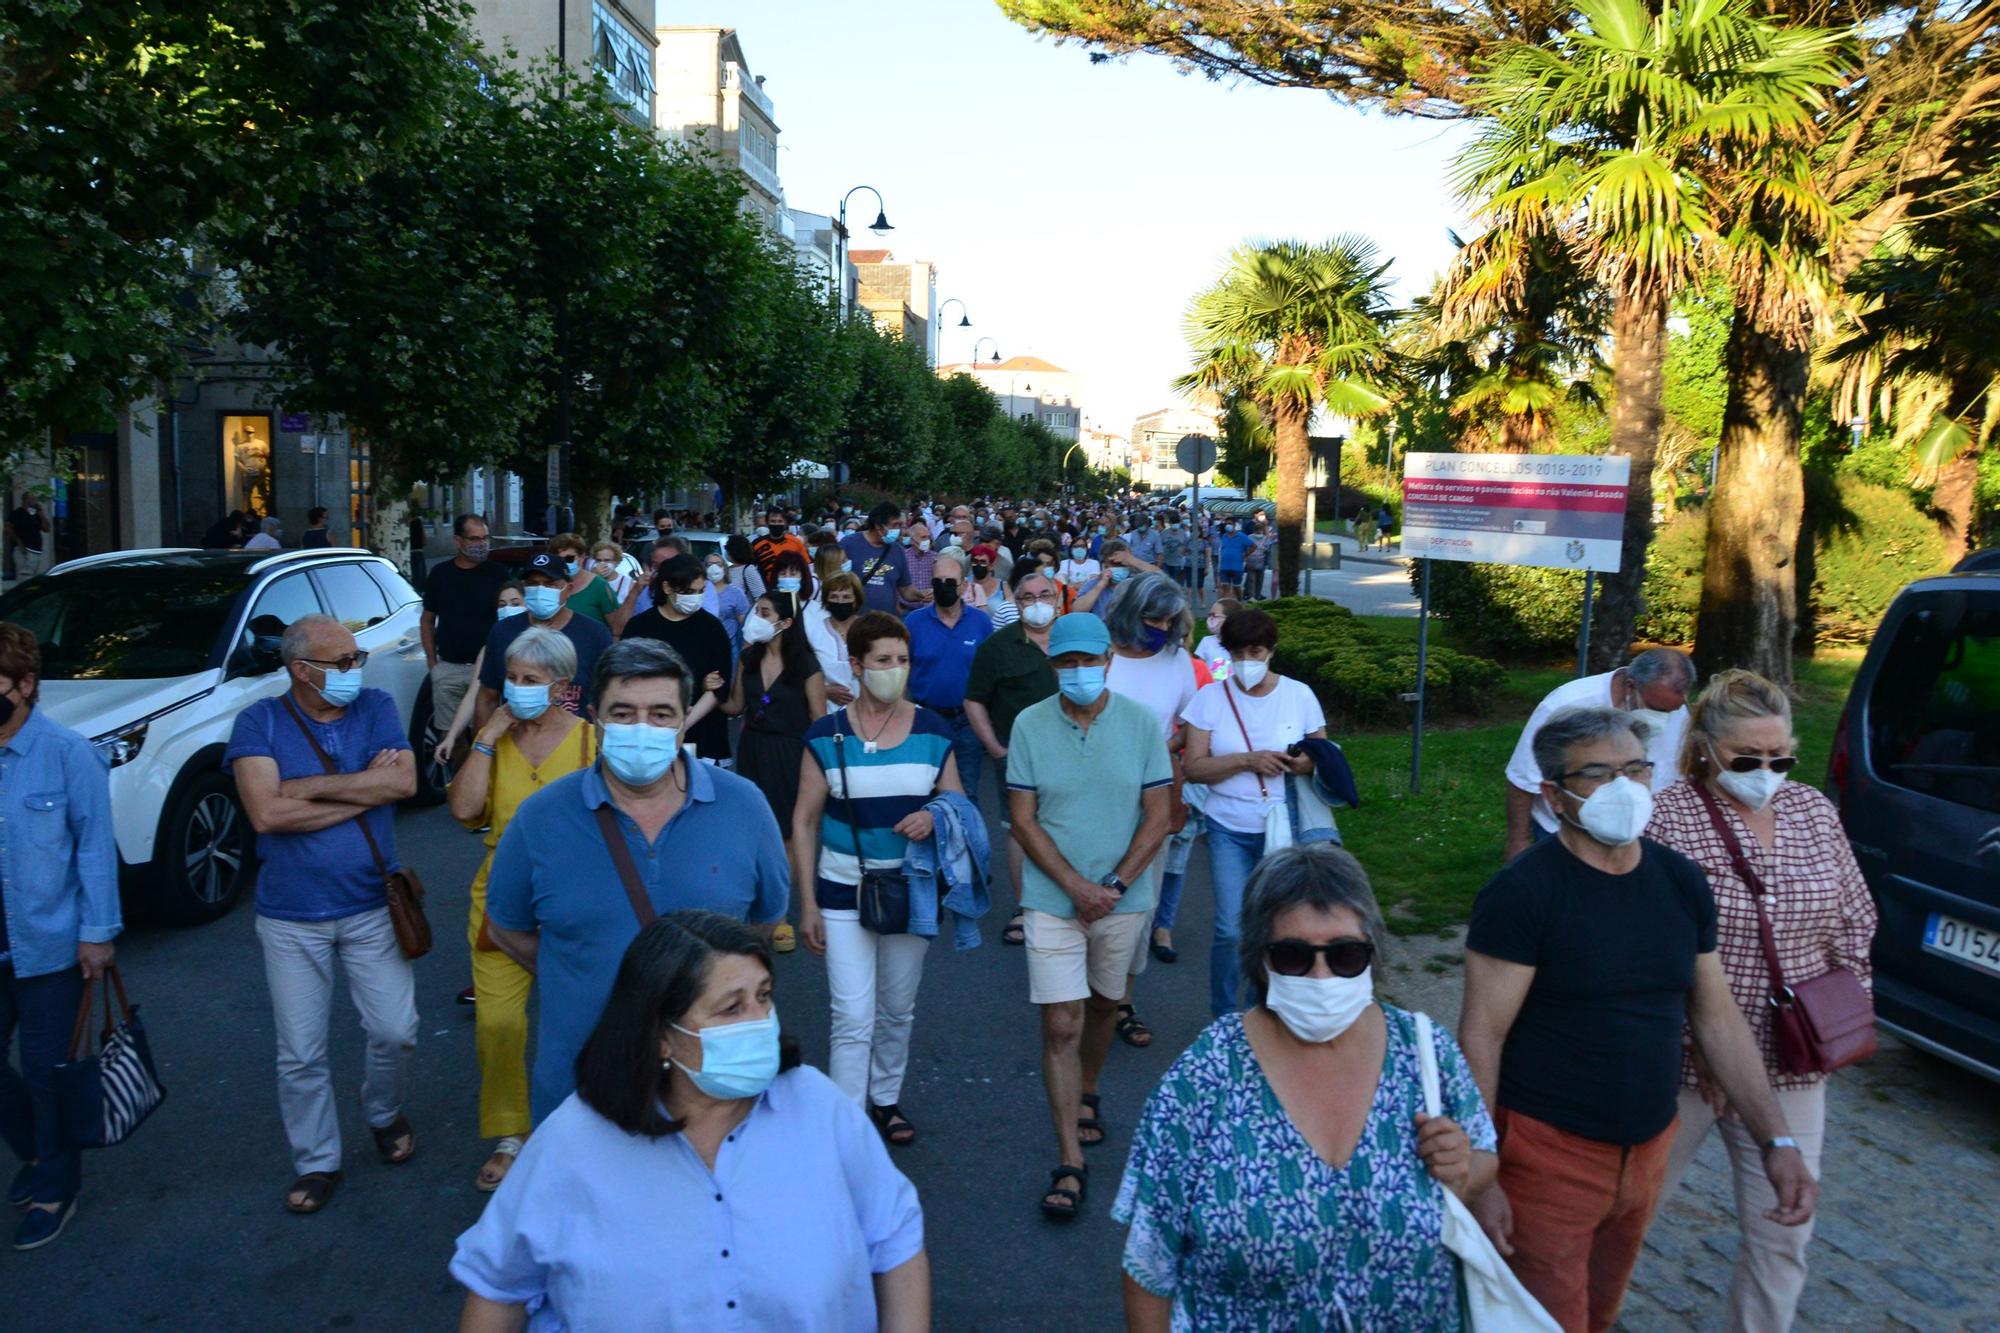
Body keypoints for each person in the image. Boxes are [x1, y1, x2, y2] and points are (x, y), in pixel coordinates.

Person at [1459, 706, 1818, 1333]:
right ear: (1555, 795)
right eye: (1598, 774)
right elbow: (1481, 1034)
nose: (1624, 788)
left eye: (1635, 769)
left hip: (1648, 1148)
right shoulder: (1522, 893)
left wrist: (1777, 1139)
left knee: (1601, 1313)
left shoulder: (1680, 882)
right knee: (1546, 1319)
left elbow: (1717, 1018)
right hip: (1547, 1154)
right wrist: (1480, 1171)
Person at [452, 913, 930, 1332]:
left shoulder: (820, 1108)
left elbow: (895, 1239)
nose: (760, 1021)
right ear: (661, 1036)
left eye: (764, 997)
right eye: (731, 1007)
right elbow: (499, 1287)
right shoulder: (572, 1143)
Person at [1115, 844, 1498, 1329]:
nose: (1321, 976)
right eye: (1293, 956)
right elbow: (1149, 1263)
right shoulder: (1204, 1077)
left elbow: (1484, 1157)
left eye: (1345, 954)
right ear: (1259, 960)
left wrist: (1463, 1165)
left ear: (1372, 953)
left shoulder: (1424, 1051)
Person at [1646, 671, 1876, 1331]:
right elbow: (1650, 948)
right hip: (1685, 1064)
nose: (1766, 771)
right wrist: (1704, 1049)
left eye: (1781, 757)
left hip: (1790, 1060)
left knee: (1785, 1234)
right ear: (1708, 750)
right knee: (1630, 1213)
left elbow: (1855, 922)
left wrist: (1844, 1002)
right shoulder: (1668, 816)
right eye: (1748, 759)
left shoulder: (1812, 811)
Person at [483, 639, 790, 1124]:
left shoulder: (744, 806)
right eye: (623, 713)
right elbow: (506, 927)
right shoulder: (539, 818)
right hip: (578, 1090)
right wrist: (584, 976)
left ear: (686, 716)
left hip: (712, 1093)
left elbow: (763, 925)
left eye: (662, 713)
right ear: (595, 718)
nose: (642, 728)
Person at [226, 614, 421, 1216]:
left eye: (356, 658)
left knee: (397, 1029)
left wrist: (302, 788)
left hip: (372, 906)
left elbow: (406, 784)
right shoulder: (258, 721)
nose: (353, 670)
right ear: (299, 670)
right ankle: (317, 1160)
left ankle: (382, 1110)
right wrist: (364, 791)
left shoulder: (377, 707)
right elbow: (265, 816)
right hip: (290, 918)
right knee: (301, 1053)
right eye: (341, 662)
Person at [1006, 614, 1172, 1219]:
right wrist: (1075, 886)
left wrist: (1114, 884)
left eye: (1087, 660)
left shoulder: (1140, 724)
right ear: (1055, 666)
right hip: (1052, 900)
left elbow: (1159, 815)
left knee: (1105, 1006)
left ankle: (1091, 1089)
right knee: (1062, 1026)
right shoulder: (1028, 725)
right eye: (1065, 662)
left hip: (1123, 899)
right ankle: (1069, 1159)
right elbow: (1023, 820)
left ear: (1108, 660)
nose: (1076, 672)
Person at [793, 613, 961, 1145]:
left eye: (903, 661)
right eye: (883, 661)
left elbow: (957, 801)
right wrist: (807, 906)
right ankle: (848, 1124)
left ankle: (885, 1098)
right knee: (851, 1013)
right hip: (841, 889)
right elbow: (803, 820)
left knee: (896, 1007)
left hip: (911, 891)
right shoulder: (826, 734)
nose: (894, 671)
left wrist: (936, 815)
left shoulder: (935, 731)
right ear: (858, 664)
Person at [447, 628, 592, 1192]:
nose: (516, 689)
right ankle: (513, 1134)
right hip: (501, 904)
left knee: (578, 1024)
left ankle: (580, 1128)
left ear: (560, 686)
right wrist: (485, 738)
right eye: (512, 677)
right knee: (500, 1023)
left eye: (530, 680)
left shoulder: (591, 743)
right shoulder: (497, 739)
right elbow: (463, 811)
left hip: (575, 906)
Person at [0, 623, 118, 1250]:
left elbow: (96, 851)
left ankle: (56, 1184)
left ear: (25, 686)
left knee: (47, 1073)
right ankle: (36, 1152)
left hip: (49, 945)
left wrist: (97, 935)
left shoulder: (69, 755)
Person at [1181, 607, 1328, 1016]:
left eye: (1256, 651)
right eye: (1238, 653)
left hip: (1285, 829)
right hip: (1228, 826)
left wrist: (1303, 763)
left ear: (1272, 651)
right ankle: (1226, 1018)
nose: (1247, 661)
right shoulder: (1210, 698)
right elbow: (1193, 767)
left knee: (1283, 929)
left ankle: (1274, 1011)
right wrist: (1247, 760)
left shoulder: (1299, 695)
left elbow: (1324, 755)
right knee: (1231, 929)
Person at [1103, 573, 1209, 981]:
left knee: (1141, 895)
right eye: (1154, 620)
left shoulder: (1176, 659)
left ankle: (1123, 997)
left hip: (1156, 792)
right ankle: (1089, 993)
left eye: (1169, 621)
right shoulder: (1100, 656)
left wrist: (1161, 748)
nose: (1163, 630)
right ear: (1131, 614)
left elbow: (1191, 722)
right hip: (1099, 791)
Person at [1503, 647, 1696, 862]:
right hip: (1566, 832)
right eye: (1655, 708)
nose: (1665, 718)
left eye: (1671, 711)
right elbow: (1523, 779)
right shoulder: (1567, 703)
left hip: (1638, 833)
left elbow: (1676, 774)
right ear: (1630, 686)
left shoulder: (1677, 712)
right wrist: (1518, 841)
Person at [723, 589, 827, 954]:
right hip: (752, 750)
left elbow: (819, 720)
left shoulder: (806, 666)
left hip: (792, 752)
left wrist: (819, 769)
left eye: (764, 611)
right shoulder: (747, 657)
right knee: (751, 830)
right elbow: (736, 705)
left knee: (786, 833)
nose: (755, 616)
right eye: (756, 609)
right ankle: (753, 905)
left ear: (785, 622)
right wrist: (711, 692)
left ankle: (780, 915)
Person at [964, 566, 1061, 948]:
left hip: (1073, 754)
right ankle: (1026, 908)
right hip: (1018, 757)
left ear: (1057, 599)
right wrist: (994, 747)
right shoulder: (998, 646)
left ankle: (1064, 897)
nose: (1038, 605)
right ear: (1016, 603)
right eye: (1027, 598)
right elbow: (974, 701)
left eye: (1045, 596)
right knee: (1020, 829)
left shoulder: (1073, 639)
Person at [473, 553, 612, 729]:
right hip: (513, 738)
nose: (540, 590)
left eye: (550, 584)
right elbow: (487, 696)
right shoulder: (503, 631)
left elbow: (608, 697)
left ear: (568, 589)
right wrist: (482, 745)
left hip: (574, 743)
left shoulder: (595, 634)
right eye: (532, 584)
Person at [620, 554, 733, 765]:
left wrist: (681, 725)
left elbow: (719, 687)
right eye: (689, 592)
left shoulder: (712, 629)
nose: (696, 598)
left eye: (701, 592)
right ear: (667, 588)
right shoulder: (640, 627)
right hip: (649, 733)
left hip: (703, 736)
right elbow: (625, 679)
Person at [905, 549, 995, 803]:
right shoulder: (914, 622)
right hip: (926, 718)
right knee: (925, 790)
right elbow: (903, 669)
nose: (943, 587)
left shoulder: (980, 622)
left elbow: (990, 671)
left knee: (966, 791)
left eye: (949, 582)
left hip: (968, 720)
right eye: (937, 582)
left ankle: (967, 840)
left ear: (963, 586)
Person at [423, 515, 510, 759]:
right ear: (458, 541)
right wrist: (433, 665)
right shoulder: (440, 575)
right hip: (449, 669)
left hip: (489, 673)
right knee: (452, 741)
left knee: (487, 738)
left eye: (485, 538)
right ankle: (458, 788)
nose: (481, 544)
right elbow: (427, 620)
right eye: (474, 539)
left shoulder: (498, 575)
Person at [435, 581, 525, 766]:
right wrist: (451, 736)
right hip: (509, 732)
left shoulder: (543, 644)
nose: (508, 609)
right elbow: (473, 695)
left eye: (515, 604)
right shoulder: (490, 648)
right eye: (502, 605)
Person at [841, 502, 915, 616]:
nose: (898, 530)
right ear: (878, 526)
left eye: (900, 525)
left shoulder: (898, 550)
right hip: (854, 620)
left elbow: (905, 590)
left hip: (886, 621)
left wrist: (923, 595)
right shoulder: (849, 544)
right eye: (894, 525)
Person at [546, 532, 624, 630]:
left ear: (582, 557)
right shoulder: (545, 585)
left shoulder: (599, 586)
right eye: (558, 559)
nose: (563, 563)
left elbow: (617, 629)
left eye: (569, 558)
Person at [700, 548, 752, 657]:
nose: (714, 568)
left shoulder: (735, 593)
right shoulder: (697, 591)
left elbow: (743, 623)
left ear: (724, 568)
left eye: (718, 564)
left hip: (729, 646)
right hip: (703, 645)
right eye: (709, 565)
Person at [751, 505, 809, 585]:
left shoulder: (796, 542)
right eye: (773, 521)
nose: (776, 524)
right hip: (767, 589)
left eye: (779, 521)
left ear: (785, 523)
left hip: (792, 587)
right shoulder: (757, 543)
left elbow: (806, 566)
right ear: (767, 523)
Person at [965, 544, 1016, 625]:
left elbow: (1012, 613)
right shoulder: (964, 584)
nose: (978, 565)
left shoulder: (1003, 587)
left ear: (991, 566)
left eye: (983, 562)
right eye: (975, 561)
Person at [4, 494, 51, 581]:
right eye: (32, 499)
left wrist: (41, 515)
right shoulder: (17, 513)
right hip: (24, 551)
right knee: (24, 577)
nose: (35, 501)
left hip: (36, 551)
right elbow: (7, 528)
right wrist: (19, 542)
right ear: (26, 500)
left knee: (32, 577)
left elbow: (46, 529)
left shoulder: (35, 513)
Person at [1193, 597, 1242, 677]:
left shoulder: (1243, 644)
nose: (1210, 619)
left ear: (1231, 619)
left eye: (1214, 615)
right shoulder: (1206, 642)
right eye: (1209, 615)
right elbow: (1198, 670)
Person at [587, 539, 636, 604]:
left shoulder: (627, 584)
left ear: (617, 562)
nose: (602, 564)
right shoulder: (587, 579)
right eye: (598, 560)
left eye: (607, 560)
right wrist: (593, 578)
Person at [723, 533, 767, 603]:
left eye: (727, 549)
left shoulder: (748, 570)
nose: (726, 552)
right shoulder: (727, 569)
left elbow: (761, 597)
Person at [903, 519, 937, 610]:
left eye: (928, 537)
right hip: (906, 609)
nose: (927, 540)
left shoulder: (935, 558)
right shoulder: (903, 558)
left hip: (929, 609)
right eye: (923, 537)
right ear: (912, 540)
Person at [1214, 520, 1250, 601]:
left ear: (1234, 525)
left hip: (1237, 566)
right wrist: (1219, 565)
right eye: (1227, 524)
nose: (1228, 526)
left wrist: (1246, 554)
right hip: (1224, 566)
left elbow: (1253, 545)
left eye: (1230, 524)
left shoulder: (1241, 536)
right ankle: (1226, 606)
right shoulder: (1224, 536)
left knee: (1236, 588)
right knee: (1224, 587)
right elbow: (1221, 550)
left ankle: (1240, 602)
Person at [1243, 523, 1270, 601]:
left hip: (1251, 561)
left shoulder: (1249, 537)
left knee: (1251, 579)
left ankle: (1251, 596)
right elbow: (1267, 549)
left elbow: (1246, 548)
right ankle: (1257, 595)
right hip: (1261, 561)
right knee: (1260, 580)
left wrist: (1246, 557)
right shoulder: (1265, 538)